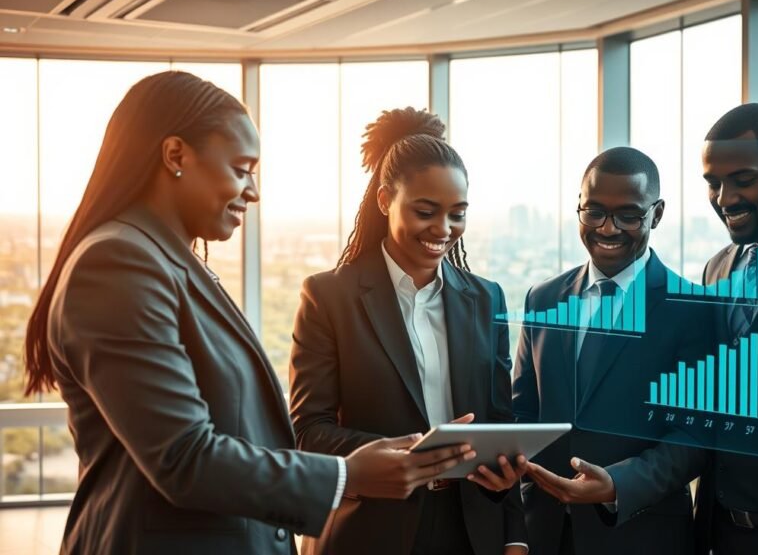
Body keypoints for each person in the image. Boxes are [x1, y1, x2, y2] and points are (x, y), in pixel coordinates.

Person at [22, 72, 475, 555]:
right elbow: (183, 456)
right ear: (175, 156)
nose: (253, 191)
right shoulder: (118, 263)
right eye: (241, 169)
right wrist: (347, 474)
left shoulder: (168, 262)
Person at [523, 104, 758, 555]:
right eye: (713, 183)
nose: (725, 198)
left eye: (743, 180)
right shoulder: (718, 269)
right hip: (716, 528)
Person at [288, 107, 528, 555]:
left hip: (469, 530)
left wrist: (513, 524)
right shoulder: (329, 297)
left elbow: (499, 421)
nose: (443, 229)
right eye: (425, 211)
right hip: (368, 530)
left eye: (458, 214)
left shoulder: (486, 298)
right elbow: (308, 432)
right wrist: (415, 453)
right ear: (384, 201)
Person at [514, 146, 711, 555]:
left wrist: (619, 484)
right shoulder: (543, 298)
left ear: (656, 214)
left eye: (628, 215)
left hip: (640, 534)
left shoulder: (693, 309)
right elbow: (523, 413)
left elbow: (695, 434)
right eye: (595, 211)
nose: (607, 228)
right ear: (579, 209)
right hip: (545, 534)